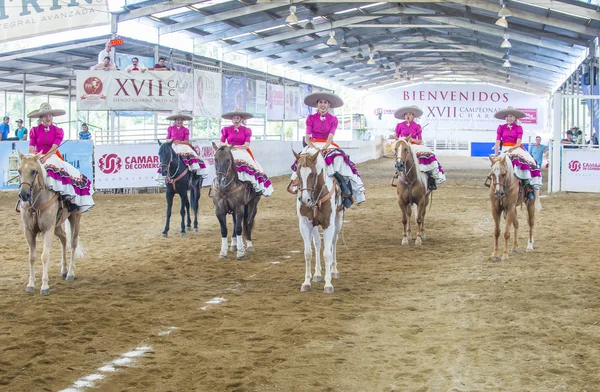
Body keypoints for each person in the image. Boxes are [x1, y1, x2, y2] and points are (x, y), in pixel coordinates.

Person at [290, 92, 365, 208]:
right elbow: (307, 138)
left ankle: (342, 186)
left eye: (325, 102)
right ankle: (297, 184)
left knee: (339, 158)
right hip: (313, 144)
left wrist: (323, 148)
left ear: (329, 105)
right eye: (320, 102)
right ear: (317, 104)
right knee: (302, 159)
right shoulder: (310, 118)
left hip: (327, 144)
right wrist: (313, 147)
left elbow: (330, 137)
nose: (322, 104)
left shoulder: (333, 119)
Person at [26, 102, 94, 212]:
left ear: (52, 117)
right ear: (41, 117)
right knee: (27, 174)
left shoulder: (58, 131)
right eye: (45, 115)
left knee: (62, 170)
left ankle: (67, 198)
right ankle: (24, 199)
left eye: (50, 115)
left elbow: (54, 147)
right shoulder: (34, 130)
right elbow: (31, 148)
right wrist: (32, 159)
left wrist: (45, 157)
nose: (48, 118)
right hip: (37, 156)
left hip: (51, 155)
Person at [219, 107, 274, 196]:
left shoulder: (246, 130)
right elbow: (221, 143)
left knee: (249, 164)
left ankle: (250, 187)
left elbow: (246, 145)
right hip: (230, 151)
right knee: (221, 164)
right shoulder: (226, 129)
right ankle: (220, 185)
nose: (235, 120)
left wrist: (235, 146)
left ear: (241, 119)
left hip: (242, 151)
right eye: (233, 118)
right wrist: (228, 146)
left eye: (237, 118)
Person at [493, 106, 542, 200]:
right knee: (497, 166)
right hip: (504, 149)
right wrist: (496, 154)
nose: (509, 118)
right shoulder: (501, 128)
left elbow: (518, 142)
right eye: (507, 116)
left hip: (516, 148)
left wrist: (511, 149)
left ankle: (528, 187)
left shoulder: (519, 128)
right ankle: (495, 186)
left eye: (511, 116)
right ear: (505, 118)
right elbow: (498, 141)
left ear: (515, 117)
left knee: (527, 162)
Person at [393, 105, 446, 191]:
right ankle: (398, 172)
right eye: (406, 114)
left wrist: (411, 139)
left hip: (414, 146)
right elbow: (396, 138)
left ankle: (431, 176)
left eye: (410, 114)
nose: (408, 116)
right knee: (399, 156)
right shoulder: (399, 125)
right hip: (404, 146)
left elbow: (420, 141)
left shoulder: (417, 126)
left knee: (429, 154)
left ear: (413, 116)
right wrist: (403, 141)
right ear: (404, 116)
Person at [164, 110, 208, 184]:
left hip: (183, 145)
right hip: (173, 145)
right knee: (165, 157)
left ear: (183, 121)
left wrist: (180, 142)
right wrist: (173, 141)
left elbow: (186, 141)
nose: (179, 121)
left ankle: (193, 170)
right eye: (178, 120)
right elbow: (167, 139)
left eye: (181, 120)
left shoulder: (185, 129)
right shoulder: (170, 128)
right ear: (175, 120)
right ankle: (166, 173)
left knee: (192, 154)